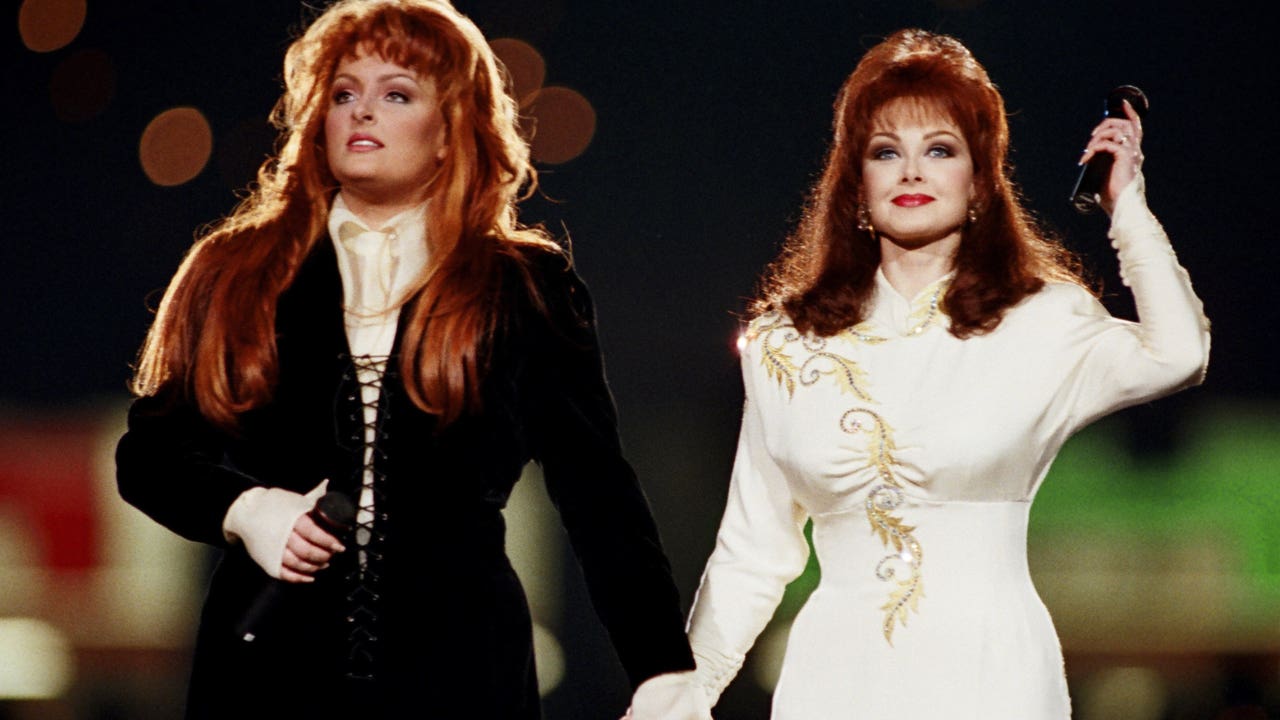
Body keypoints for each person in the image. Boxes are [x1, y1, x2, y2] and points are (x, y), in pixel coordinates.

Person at [114, 1, 710, 718]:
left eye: (396, 94)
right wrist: (247, 510)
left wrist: (661, 669)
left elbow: (598, 495)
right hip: (267, 670)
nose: (362, 111)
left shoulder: (521, 286)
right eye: (343, 93)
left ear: (451, 130)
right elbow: (149, 455)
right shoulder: (235, 269)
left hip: (463, 675)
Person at [684, 28, 1209, 718]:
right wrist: (683, 695)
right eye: (885, 152)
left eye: (939, 150)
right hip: (833, 683)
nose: (911, 172)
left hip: (992, 677)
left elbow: (1179, 355)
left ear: (981, 180)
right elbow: (751, 555)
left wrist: (1127, 210)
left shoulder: (1039, 320)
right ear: (855, 183)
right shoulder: (787, 343)